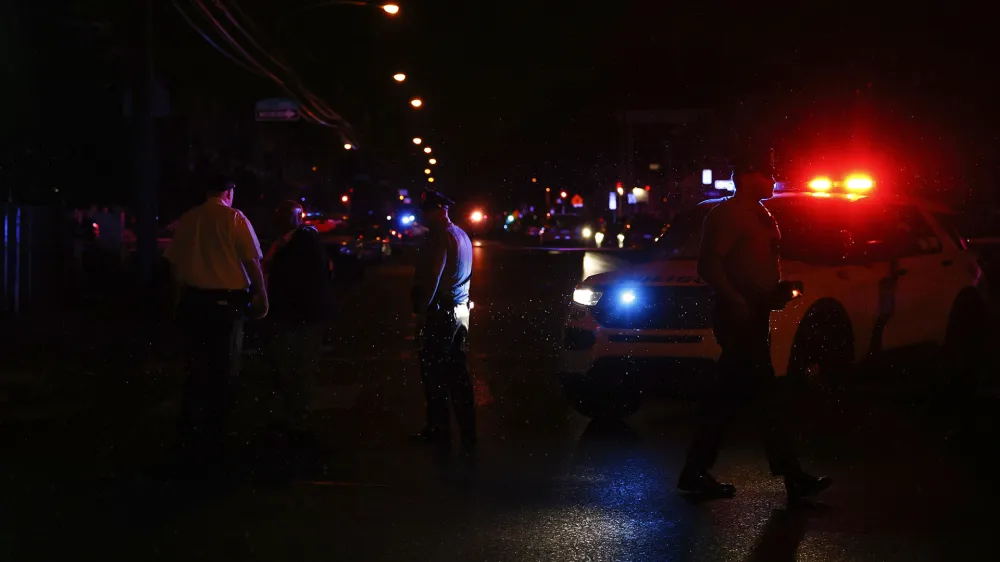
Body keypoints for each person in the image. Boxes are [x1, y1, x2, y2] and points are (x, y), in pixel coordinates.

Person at [678, 155, 831, 502]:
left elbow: (751, 262)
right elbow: (708, 265)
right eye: (768, 173)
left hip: (751, 312)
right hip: (739, 318)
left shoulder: (757, 212)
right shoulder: (729, 214)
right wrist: (738, 300)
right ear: (748, 175)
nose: (774, 180)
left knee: (734, 396)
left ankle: (696, 471)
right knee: (758, 396)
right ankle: (791, 476)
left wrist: (771, 292)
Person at [164, 173, 269, 467]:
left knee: (196, 368)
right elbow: (252, 260)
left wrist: (178, 300)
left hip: (194, 302)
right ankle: (217, 437)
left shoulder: (190, 218)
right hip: (226, 304)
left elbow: (174, 264)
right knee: (223, 369)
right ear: (229, 191)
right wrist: (262, 295)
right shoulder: (234, 218)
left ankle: (191, 435)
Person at [261, 200, 332, 444]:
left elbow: (289, 276)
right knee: (293, 367)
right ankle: (292, 418)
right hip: (295, 314)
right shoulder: (292, 241)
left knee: (296, 367)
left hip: (296, 314)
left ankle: (295, 420)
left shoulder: (300, 243)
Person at [410, 189, 476, 453]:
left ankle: (439, 431)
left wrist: (421, 312)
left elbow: (432, 278)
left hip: (441, 313)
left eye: (425, 211)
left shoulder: (440, 238)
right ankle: (468, 432)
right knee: (458, 373)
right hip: (460, 312)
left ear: (439, 210)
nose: (422, 216)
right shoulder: (461, 235)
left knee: (434, 373)